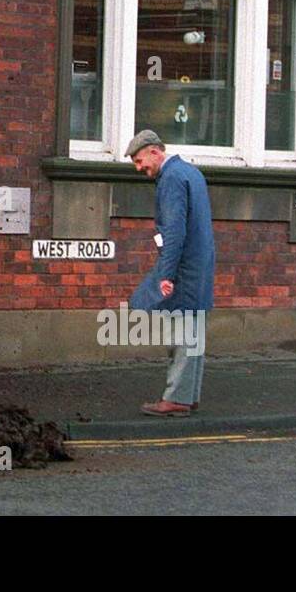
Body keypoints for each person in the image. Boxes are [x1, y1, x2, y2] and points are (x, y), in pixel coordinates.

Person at [125, 129, 215, 417]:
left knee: (183, 331)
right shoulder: (191, 172)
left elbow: (174, 232)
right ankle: (189, 395)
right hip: (199, 263)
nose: (140, 169)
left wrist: (166, 274)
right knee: (194, 329)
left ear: (155, 151)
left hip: (184, 266)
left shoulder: (171, 178)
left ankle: (176, 398)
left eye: (140, 161)